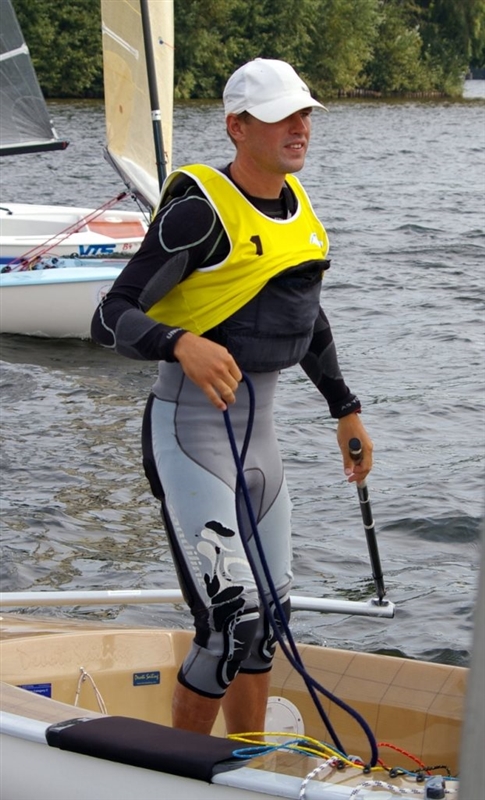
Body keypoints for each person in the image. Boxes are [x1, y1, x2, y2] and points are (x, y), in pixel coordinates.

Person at [91, 57, 373, 737]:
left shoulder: (298, 208)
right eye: (280, 117)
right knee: (228, 625)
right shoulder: (197, 213)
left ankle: (249, 759)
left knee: (270, 622)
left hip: (261, 441)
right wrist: (178, 342)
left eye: (304, 113)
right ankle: (180, 773)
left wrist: (344, 409)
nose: (298, 128)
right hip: (190, 436)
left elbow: (306, 319)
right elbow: (108, 315)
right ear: (236, 127)